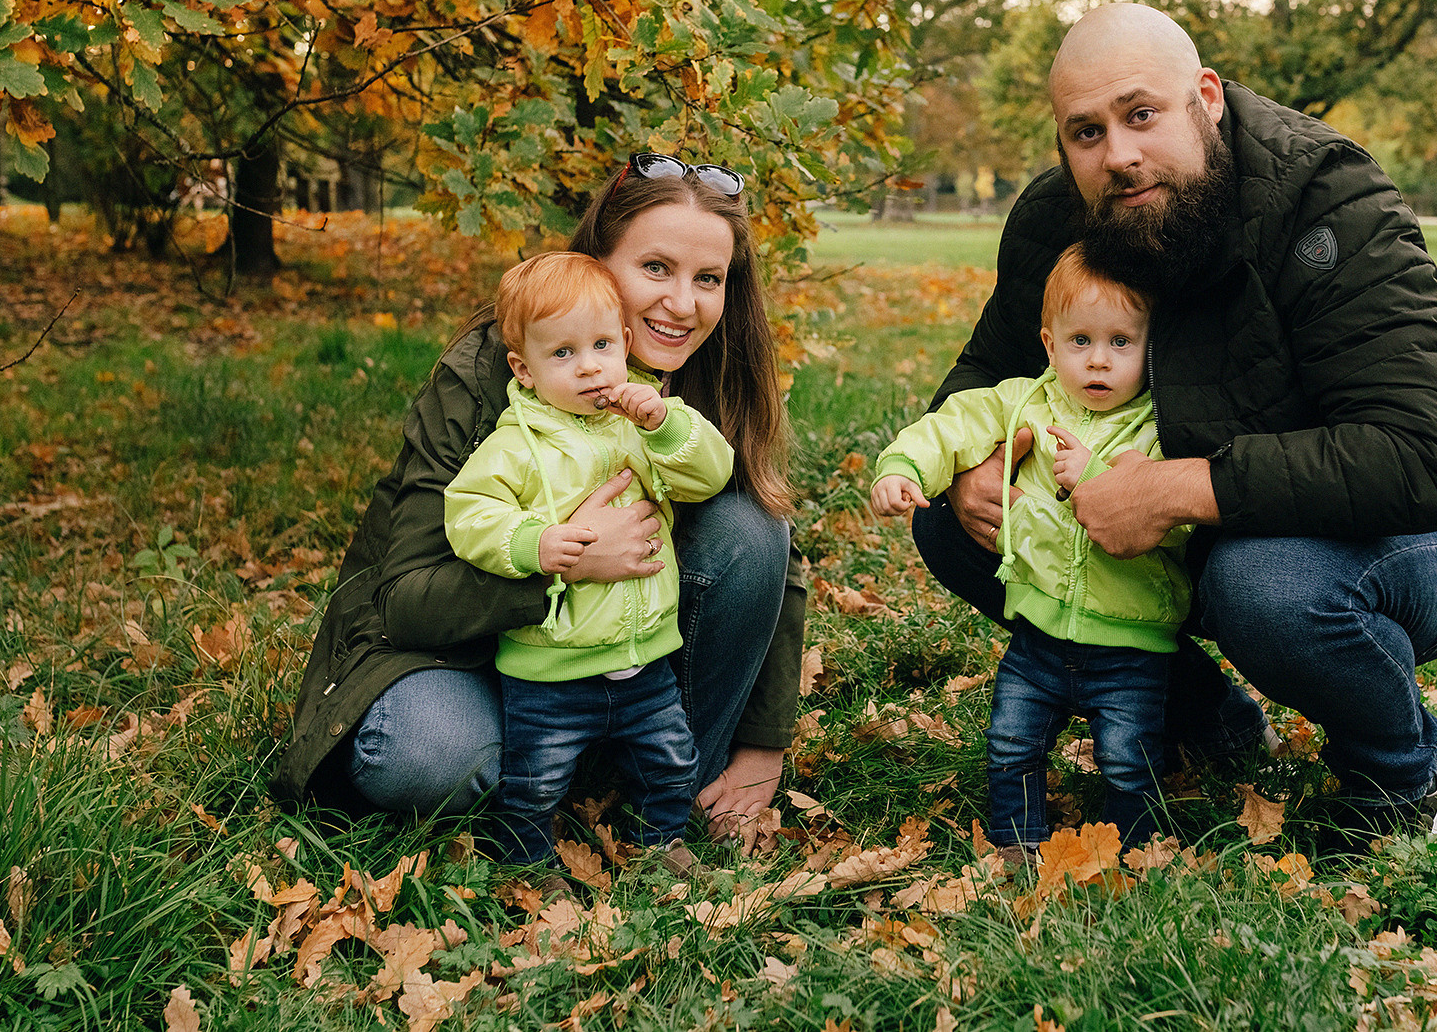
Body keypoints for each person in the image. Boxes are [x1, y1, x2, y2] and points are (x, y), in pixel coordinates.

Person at [912, 3, 1437, 847]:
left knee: (1264, 584)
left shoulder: (1329, 196)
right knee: (954, 512)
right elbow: (987, 368)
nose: (1118, 155)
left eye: (1141, 114)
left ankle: (1395, 778)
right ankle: (1208, 719)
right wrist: (975, 462)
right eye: (1085, 132)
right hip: (1208, 521)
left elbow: (1422, 460)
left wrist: (1172, 488)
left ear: (1204, 96)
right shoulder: (1058, 220)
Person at [273, 156, 802, 837]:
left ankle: (654, 780)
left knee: (752, 530)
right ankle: (538, 778)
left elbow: (772, 555)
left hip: (623, 650)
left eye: (708, 279)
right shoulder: (488, 371)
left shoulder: (703, 372)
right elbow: (405, 598)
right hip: (465, 651)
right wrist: (561, 563)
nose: (682, 303)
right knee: (429, 753)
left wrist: (765, 743)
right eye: (656, 268)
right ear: (596, 260)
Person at [872, 245, 1188, 852]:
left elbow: (1179, 527)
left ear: (1151, 346)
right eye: (1080, 342)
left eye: (1121, 342)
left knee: (1127, 760)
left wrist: (1102, 480)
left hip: (1129, 644)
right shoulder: (1025, 403)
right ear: (1049, 344)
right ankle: (1017, 845)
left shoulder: (1156, 431)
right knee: (1012, 745)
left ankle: (1136, 852)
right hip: (1037, 633)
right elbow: (953, 424)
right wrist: (904, 465)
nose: (1098, 360)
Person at [446, 251, 734, 868]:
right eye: (562, 354)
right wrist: (534, 543)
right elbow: (469, 513)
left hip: (645, 654)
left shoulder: (639, 425)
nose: (588, 368)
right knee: (534, 781)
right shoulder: (515, 445)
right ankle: (530, 864)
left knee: (669, 761)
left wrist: (665, 425)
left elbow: (711, 476)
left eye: (601, 345)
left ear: (624, 343)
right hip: (549, 668)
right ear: (523, 370)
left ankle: (664, 844)